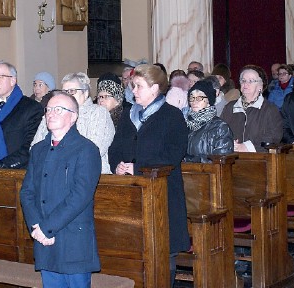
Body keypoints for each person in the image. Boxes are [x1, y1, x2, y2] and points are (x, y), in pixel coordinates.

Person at [108, 64, 189, 286]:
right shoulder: (128, 115)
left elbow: (173, 153)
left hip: (162, 192)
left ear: (154, 88)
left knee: (163, 247)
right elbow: (115, 147)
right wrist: (117, 165)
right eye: (133, 86)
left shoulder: (171, 116)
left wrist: (138, 167)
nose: (133, 91)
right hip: (131, 190)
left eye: (139, 86)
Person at [20, 92, 101, 287]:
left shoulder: (86, 149)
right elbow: (27, 192)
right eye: (48, 109)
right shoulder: (38, 149)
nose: (51, 113)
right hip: (43, 237)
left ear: (73, 117)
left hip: (72, 238)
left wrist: (47, 228)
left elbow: (80, 196)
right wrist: (36, 227)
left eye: (59, 109)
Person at [32, 72, 115, 174]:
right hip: (51, 173)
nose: (68, 96)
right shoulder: (51, 113)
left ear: (85, 93)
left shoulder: (98, 112)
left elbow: (95, 149)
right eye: (64, 92)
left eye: (72, 91)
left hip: (89, 175)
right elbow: (35, 148)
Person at [221, 65, 283, 152]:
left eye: (251, 81)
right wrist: (230, 143)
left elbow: (274, 136)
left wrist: (247, 147)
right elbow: (220, 131)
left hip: (259, 160)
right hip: (231, 158)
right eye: (243, 80)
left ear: (260, 86)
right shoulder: (230, 107)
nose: (245, 84)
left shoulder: (270, 109)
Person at [184, 80, 233, 163]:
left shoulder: (220, 127)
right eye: (192, 97)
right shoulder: (184, 124)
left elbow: (221, 160)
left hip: (209, 174)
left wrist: (192, 160)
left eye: (200, 98)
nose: (194, 101)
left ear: (208, 102)